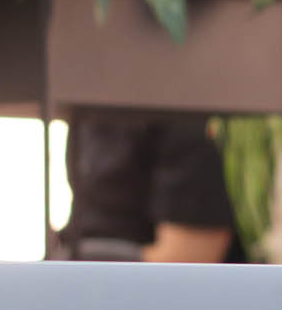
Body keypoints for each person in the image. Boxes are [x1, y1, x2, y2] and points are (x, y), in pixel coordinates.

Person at [58, 109, 245, 264]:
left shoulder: (186, 121)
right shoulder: (88, 109)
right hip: (80, 275)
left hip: (134, 293)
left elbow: (188, 261)